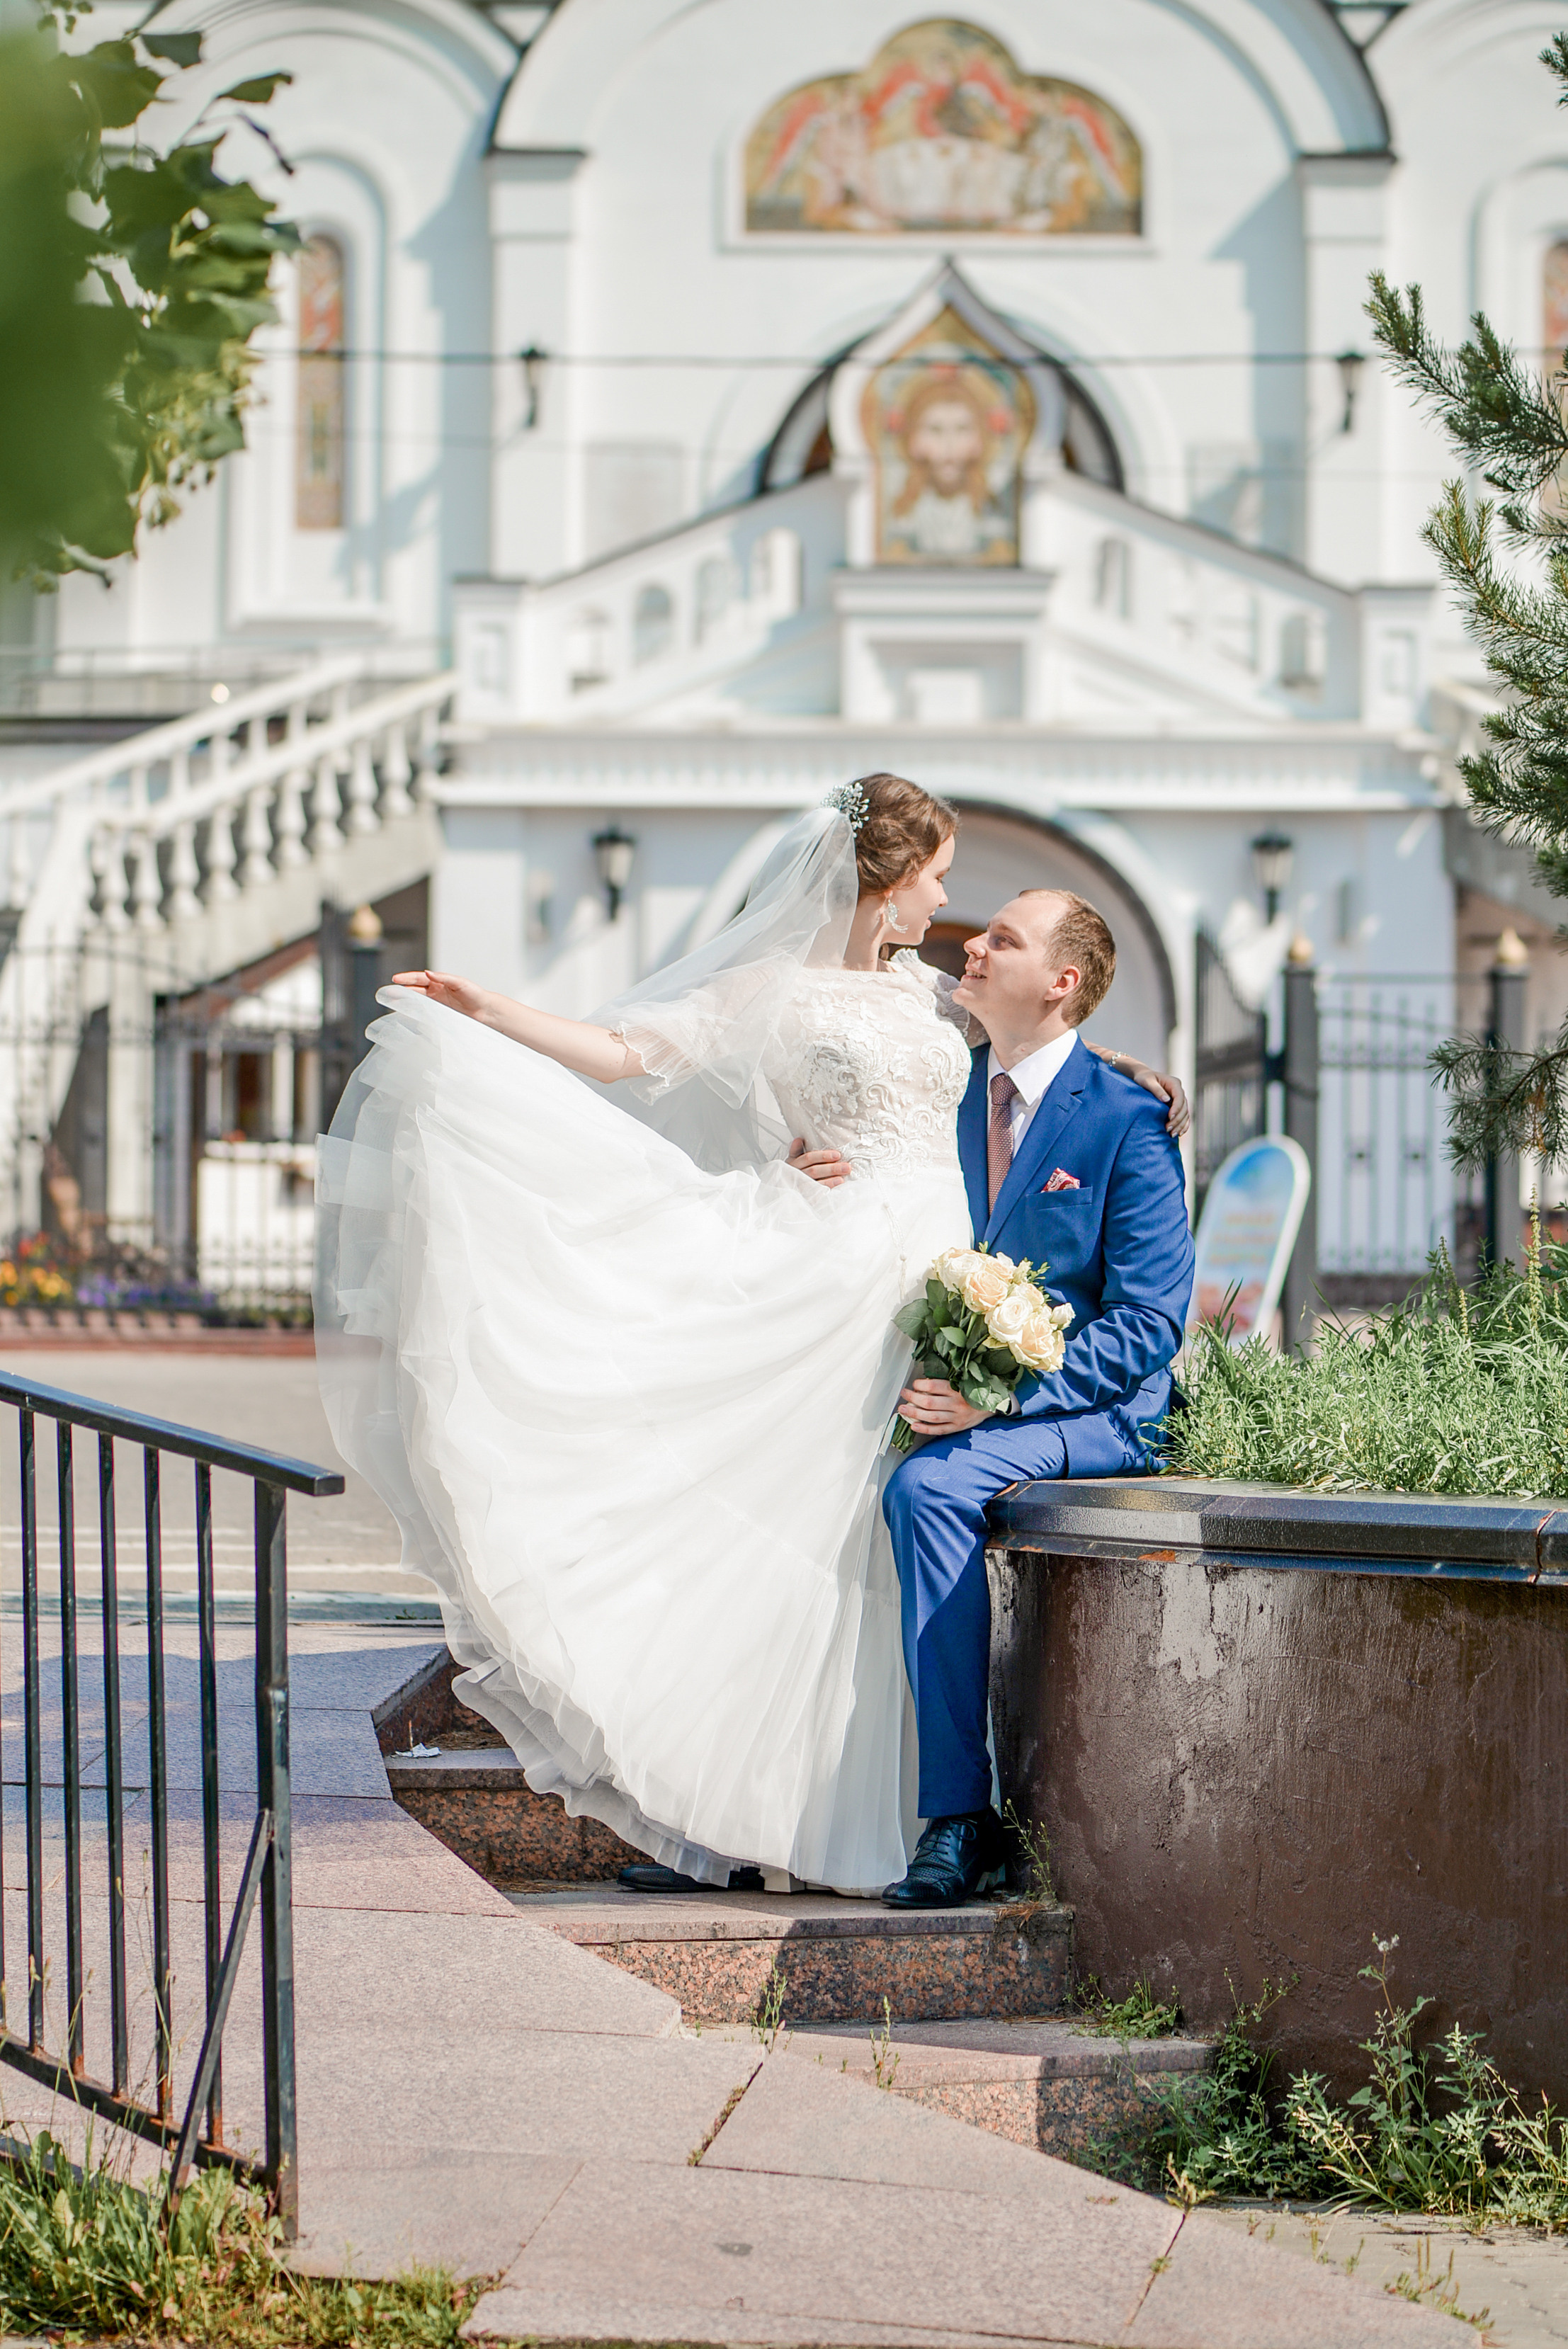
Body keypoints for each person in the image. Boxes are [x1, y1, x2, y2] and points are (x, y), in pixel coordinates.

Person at [313, 775, 1185, 1897]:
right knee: (787, 1522)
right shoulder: (778, 987)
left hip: (929, 1282)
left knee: (862, 1537)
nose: (951, 903)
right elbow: (629, 1049)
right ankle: (733, 1808)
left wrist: (1130, 1073)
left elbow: (1043, 1054)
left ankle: (886, 1810)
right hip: (837, 1267)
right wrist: (490, 1013)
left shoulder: (932, 996)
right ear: (885, 881)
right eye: (937, 876)